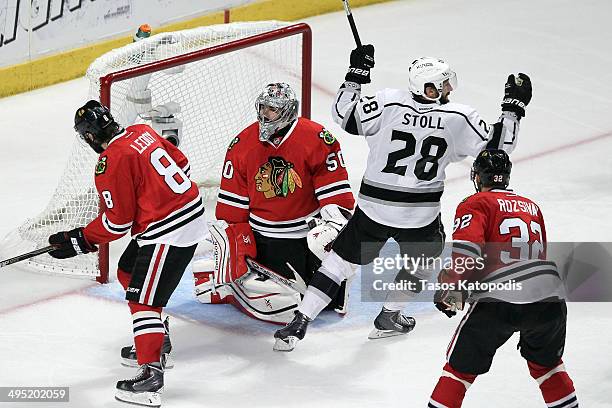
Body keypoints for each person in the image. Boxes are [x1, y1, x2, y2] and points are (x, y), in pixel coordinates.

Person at [273, 46, 533, 350]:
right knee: (422, 263)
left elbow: (343, 115)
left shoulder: (387, 101)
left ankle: (301, 319)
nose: (449, 88)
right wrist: (513, 108)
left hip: (374, 208)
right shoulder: (459, 116)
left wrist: (356, 74)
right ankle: (390, 315)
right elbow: (501, 145)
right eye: (444, 83)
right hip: (420, 215)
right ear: (430, 87)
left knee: (340, 262)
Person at [47, 100, 206, 407]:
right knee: (127, 271)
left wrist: (79, 239)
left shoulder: (111, 160)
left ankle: (149, 375)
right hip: (184, 214)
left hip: (170, 229)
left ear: (90, 136)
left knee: (142, 300)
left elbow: (118, 222)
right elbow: (182, 164)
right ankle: (157, 337)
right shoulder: (141, 131)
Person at [191, 82, 355, 324]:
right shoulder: (242, 144)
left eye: (273, 109)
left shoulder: (317, 138)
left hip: (307, 235)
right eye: (263, 107)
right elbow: (231, 209)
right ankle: (231, 284)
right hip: (265, 239)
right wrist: (238, 248)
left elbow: (336, 195)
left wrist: (332, 227)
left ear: (288, 110)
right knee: (286, 305)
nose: (265, 114)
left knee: (329, 300)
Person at [428, 149, 577, 408]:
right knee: (548, 367)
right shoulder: (532, 206)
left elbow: (469, 254)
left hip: (501, 298)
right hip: (549, 296)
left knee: (459, 371)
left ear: (478, 177)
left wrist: (450, 292)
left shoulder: (475, 203)